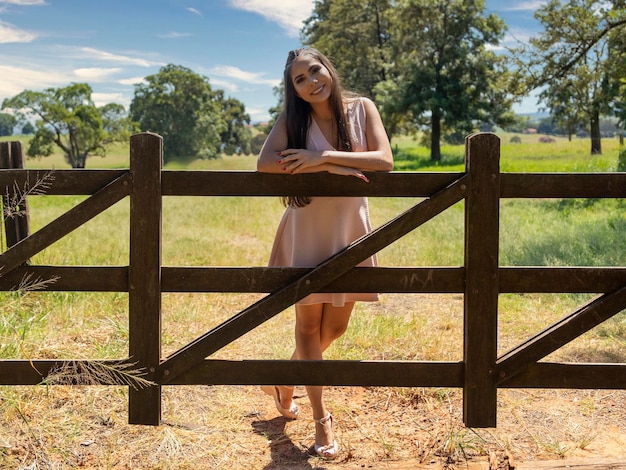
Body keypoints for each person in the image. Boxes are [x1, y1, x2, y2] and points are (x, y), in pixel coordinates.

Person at [257, 47, 393, 459]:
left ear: (328, 69)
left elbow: (384, 159)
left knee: (334, 328)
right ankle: (321, 419)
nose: (311, 81)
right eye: (300, 79)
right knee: (307, 326)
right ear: (294, 91)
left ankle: (284, 379)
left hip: (349, 232)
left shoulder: (362, 108)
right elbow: (265, 164)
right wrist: (329, 169)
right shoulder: (292, 121)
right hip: (307, 230)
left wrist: (324, 157)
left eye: (315, 71)